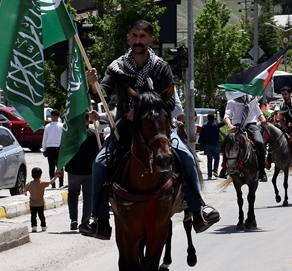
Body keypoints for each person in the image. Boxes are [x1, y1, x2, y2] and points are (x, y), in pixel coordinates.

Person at [79, 20, 219, 241]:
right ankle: (100, 219)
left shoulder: (160, 67)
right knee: (99, 163)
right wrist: (94, 84)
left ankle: (197, 208)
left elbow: (170, 102)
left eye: (142, 36)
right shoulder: (116, 67)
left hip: (157, 131)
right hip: (125, 132)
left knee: (186, 157)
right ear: (128, 39)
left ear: (151, 40)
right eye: (134, 36)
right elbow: (102, 94)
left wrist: (143, 111)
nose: (138, 40)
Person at [63, 110, 101, 230]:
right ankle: (84, 222)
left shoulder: (70, 135)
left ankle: (73, 219)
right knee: (88, 196)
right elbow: (101, 150)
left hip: (73, 171)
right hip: (89, 172)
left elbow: (63, 152)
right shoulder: (93, 134)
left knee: (73, 194)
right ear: (87, 121)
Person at [225, 92, 267, 181]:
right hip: (237, 126)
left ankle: (262, 171)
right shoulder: (232, 100)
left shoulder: (253, 100)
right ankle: (224, 168)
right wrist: (230, 125)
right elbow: (227, 116)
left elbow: (259, 113)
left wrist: (263, 120)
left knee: (259, 142)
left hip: (251, 125)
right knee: (228, 143)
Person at [25, 166, 62, 232]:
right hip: (40, 203)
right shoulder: (42, 183)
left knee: (33, 216)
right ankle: (43, 226)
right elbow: (51, 182)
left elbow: (24, 189)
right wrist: (56, 177)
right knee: (41, 215)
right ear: (40, 175)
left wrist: (25, 193)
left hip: (32, 204)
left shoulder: (30, 184)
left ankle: (34, 226)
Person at [42, 109, 65, 188]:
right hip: (59, 147)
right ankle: (61, 183)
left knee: (51, 167)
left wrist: (44, 149)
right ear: (58, 117)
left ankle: (53, 184)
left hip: (50, 147)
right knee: (60, 166)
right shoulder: (62, 126)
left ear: (51, 116)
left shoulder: (47, 126)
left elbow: (45, 139)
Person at [200, 112, 222, 178]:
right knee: (217, 158)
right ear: (213, 119)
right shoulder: (216, 125)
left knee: (209, 160)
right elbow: (224, 122)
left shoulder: (204, 126)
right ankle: (215, 170)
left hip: (208, 145)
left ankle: (209, 175)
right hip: (216, 145)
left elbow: (201, 135)